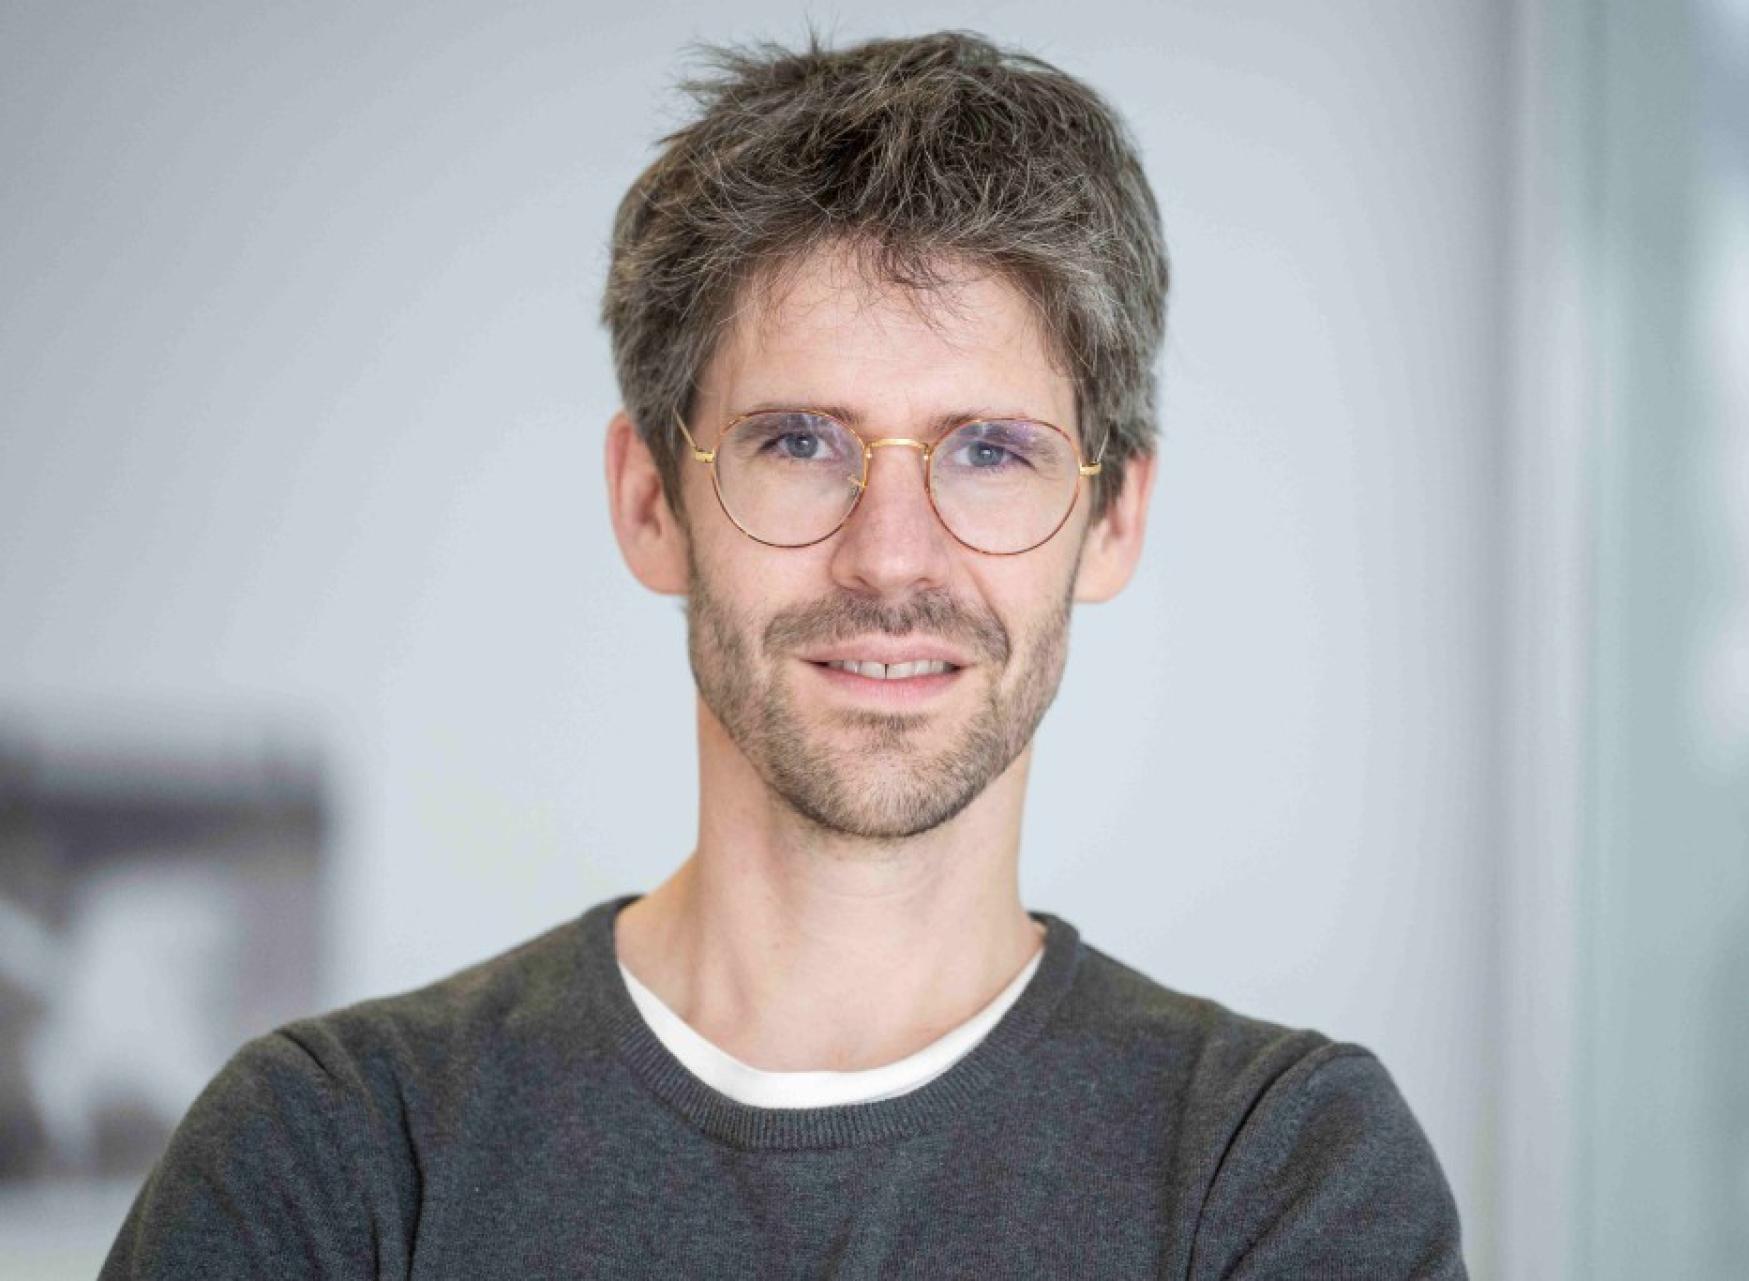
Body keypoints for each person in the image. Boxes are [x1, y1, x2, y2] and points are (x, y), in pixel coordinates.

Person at [102, 29, 1466, 1279]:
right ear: (651, 500)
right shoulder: (329, 1158)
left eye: (992, 451)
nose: (891, 557)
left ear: (1113, 520)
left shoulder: (1279, 1173)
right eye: (800, 441)